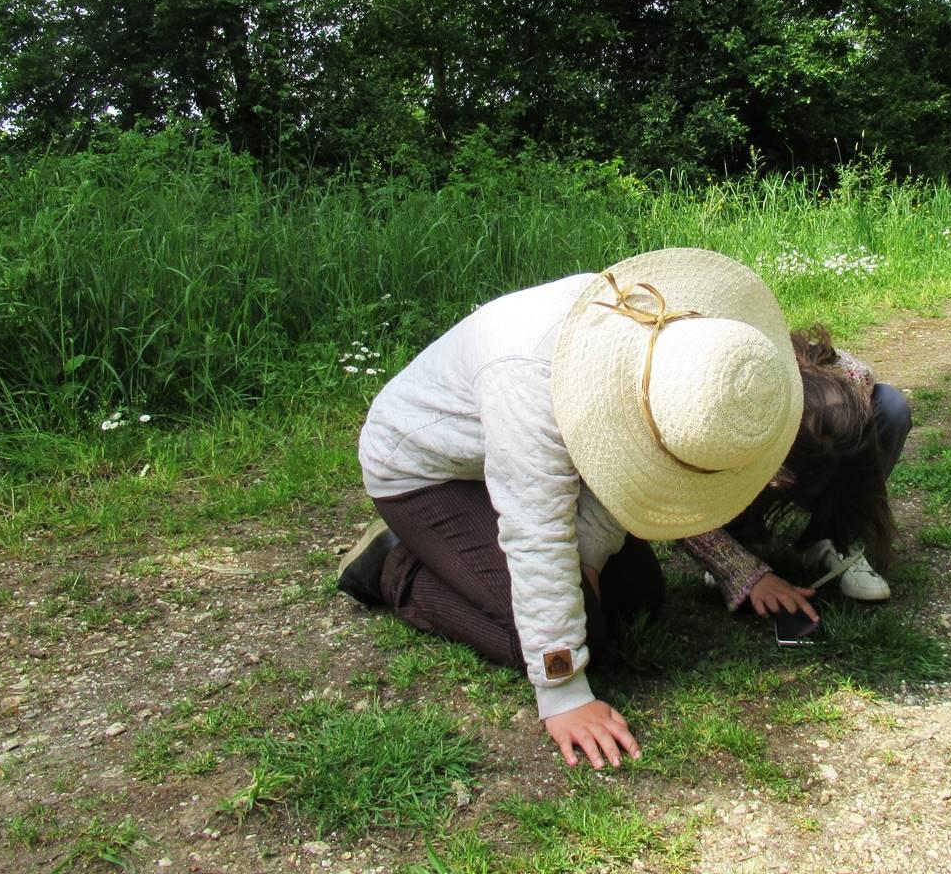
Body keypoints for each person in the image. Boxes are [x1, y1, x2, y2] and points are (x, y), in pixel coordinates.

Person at [337, 247, 804, 770]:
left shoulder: (682, 344)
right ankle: (395, 565)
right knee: (575, 642)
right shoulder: (529, 376)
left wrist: (592, 560)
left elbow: (634, 474)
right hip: (426, 474)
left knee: (639, 601)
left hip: (510, 466)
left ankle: (455, 556)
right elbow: (537, 528)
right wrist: (563, 690)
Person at [681, 326, 912, 624]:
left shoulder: (854, 382)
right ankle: (740, 534)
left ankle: (832, 536)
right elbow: (672, 498)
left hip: (799, 442)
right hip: (747, 438)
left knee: (891, 407)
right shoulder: (726, 406)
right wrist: (738, 568)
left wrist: (843, 506)